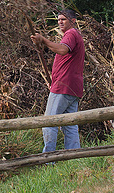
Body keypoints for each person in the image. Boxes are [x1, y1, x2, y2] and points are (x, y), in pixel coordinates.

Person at [30, 8, 85, 151]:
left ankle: (49, 158)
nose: (60, 22)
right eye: (58, 19)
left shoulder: (71, 34)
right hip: (72, 87)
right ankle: (74, 157)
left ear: (72, 21)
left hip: (64, 85)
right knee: (70, 124)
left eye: (63, 19)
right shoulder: (74, 35)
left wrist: (43, 40)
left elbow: (62, 50)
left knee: (49, 122)